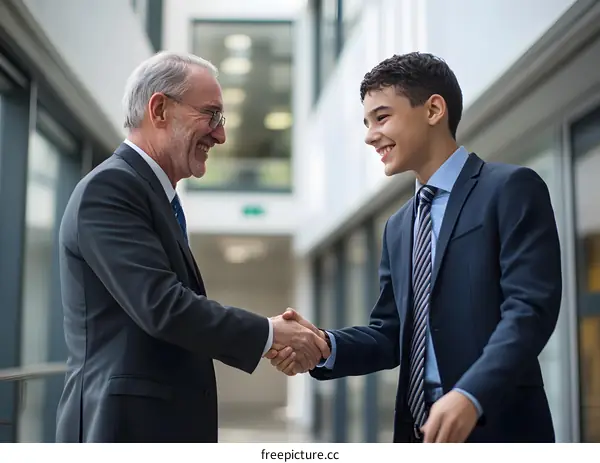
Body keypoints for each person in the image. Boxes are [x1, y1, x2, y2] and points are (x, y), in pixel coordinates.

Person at [266, 52, 562, 443]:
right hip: (417, 434)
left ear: (434, 110)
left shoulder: (509, 189)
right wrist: (323, 346)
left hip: (499, 427)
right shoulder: (399, 226)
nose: (370, 135)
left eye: (382, 117)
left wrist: (471, 394)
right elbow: (391, 334)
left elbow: (529, 311)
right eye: (367, 122)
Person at [55, 51, 329, 443]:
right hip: (122, 431)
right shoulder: (111, 188)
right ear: (160, 109)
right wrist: (270, 334)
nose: (221, 135)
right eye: (212, 115)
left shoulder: (152, 195)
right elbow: (163, 307)